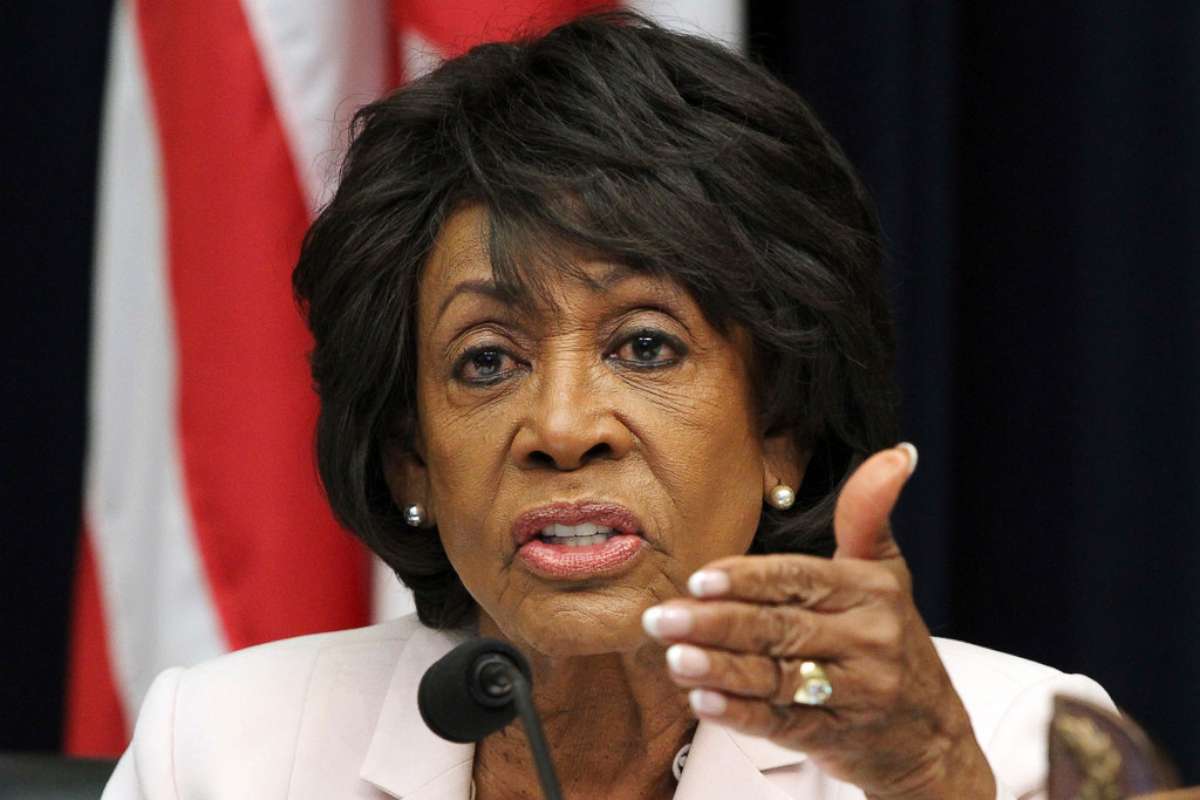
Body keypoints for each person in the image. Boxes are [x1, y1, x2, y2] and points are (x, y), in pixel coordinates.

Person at [102, 11, 1111, 800]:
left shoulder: (1030, 733)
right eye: (487, 361)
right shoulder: (224, 747)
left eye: (644, 345)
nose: (562, 427)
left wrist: (938, 777)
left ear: (781, 428)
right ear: (411, 456)